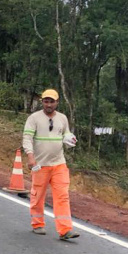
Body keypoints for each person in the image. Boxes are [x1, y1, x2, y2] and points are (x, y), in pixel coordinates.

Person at [22, 89, 79, 240]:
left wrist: (70, 140)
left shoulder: (62, 118)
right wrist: (30, 156)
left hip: (59, 163)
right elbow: (27, 138)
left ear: (57, 102)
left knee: (62, 196)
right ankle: (37, 223)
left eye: (51, 101)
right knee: (38, 194)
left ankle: (65, 230)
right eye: (46, 101)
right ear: (42, 102)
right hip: (40, 164)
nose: (48, 104)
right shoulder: (34, 118)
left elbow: (66, 135)